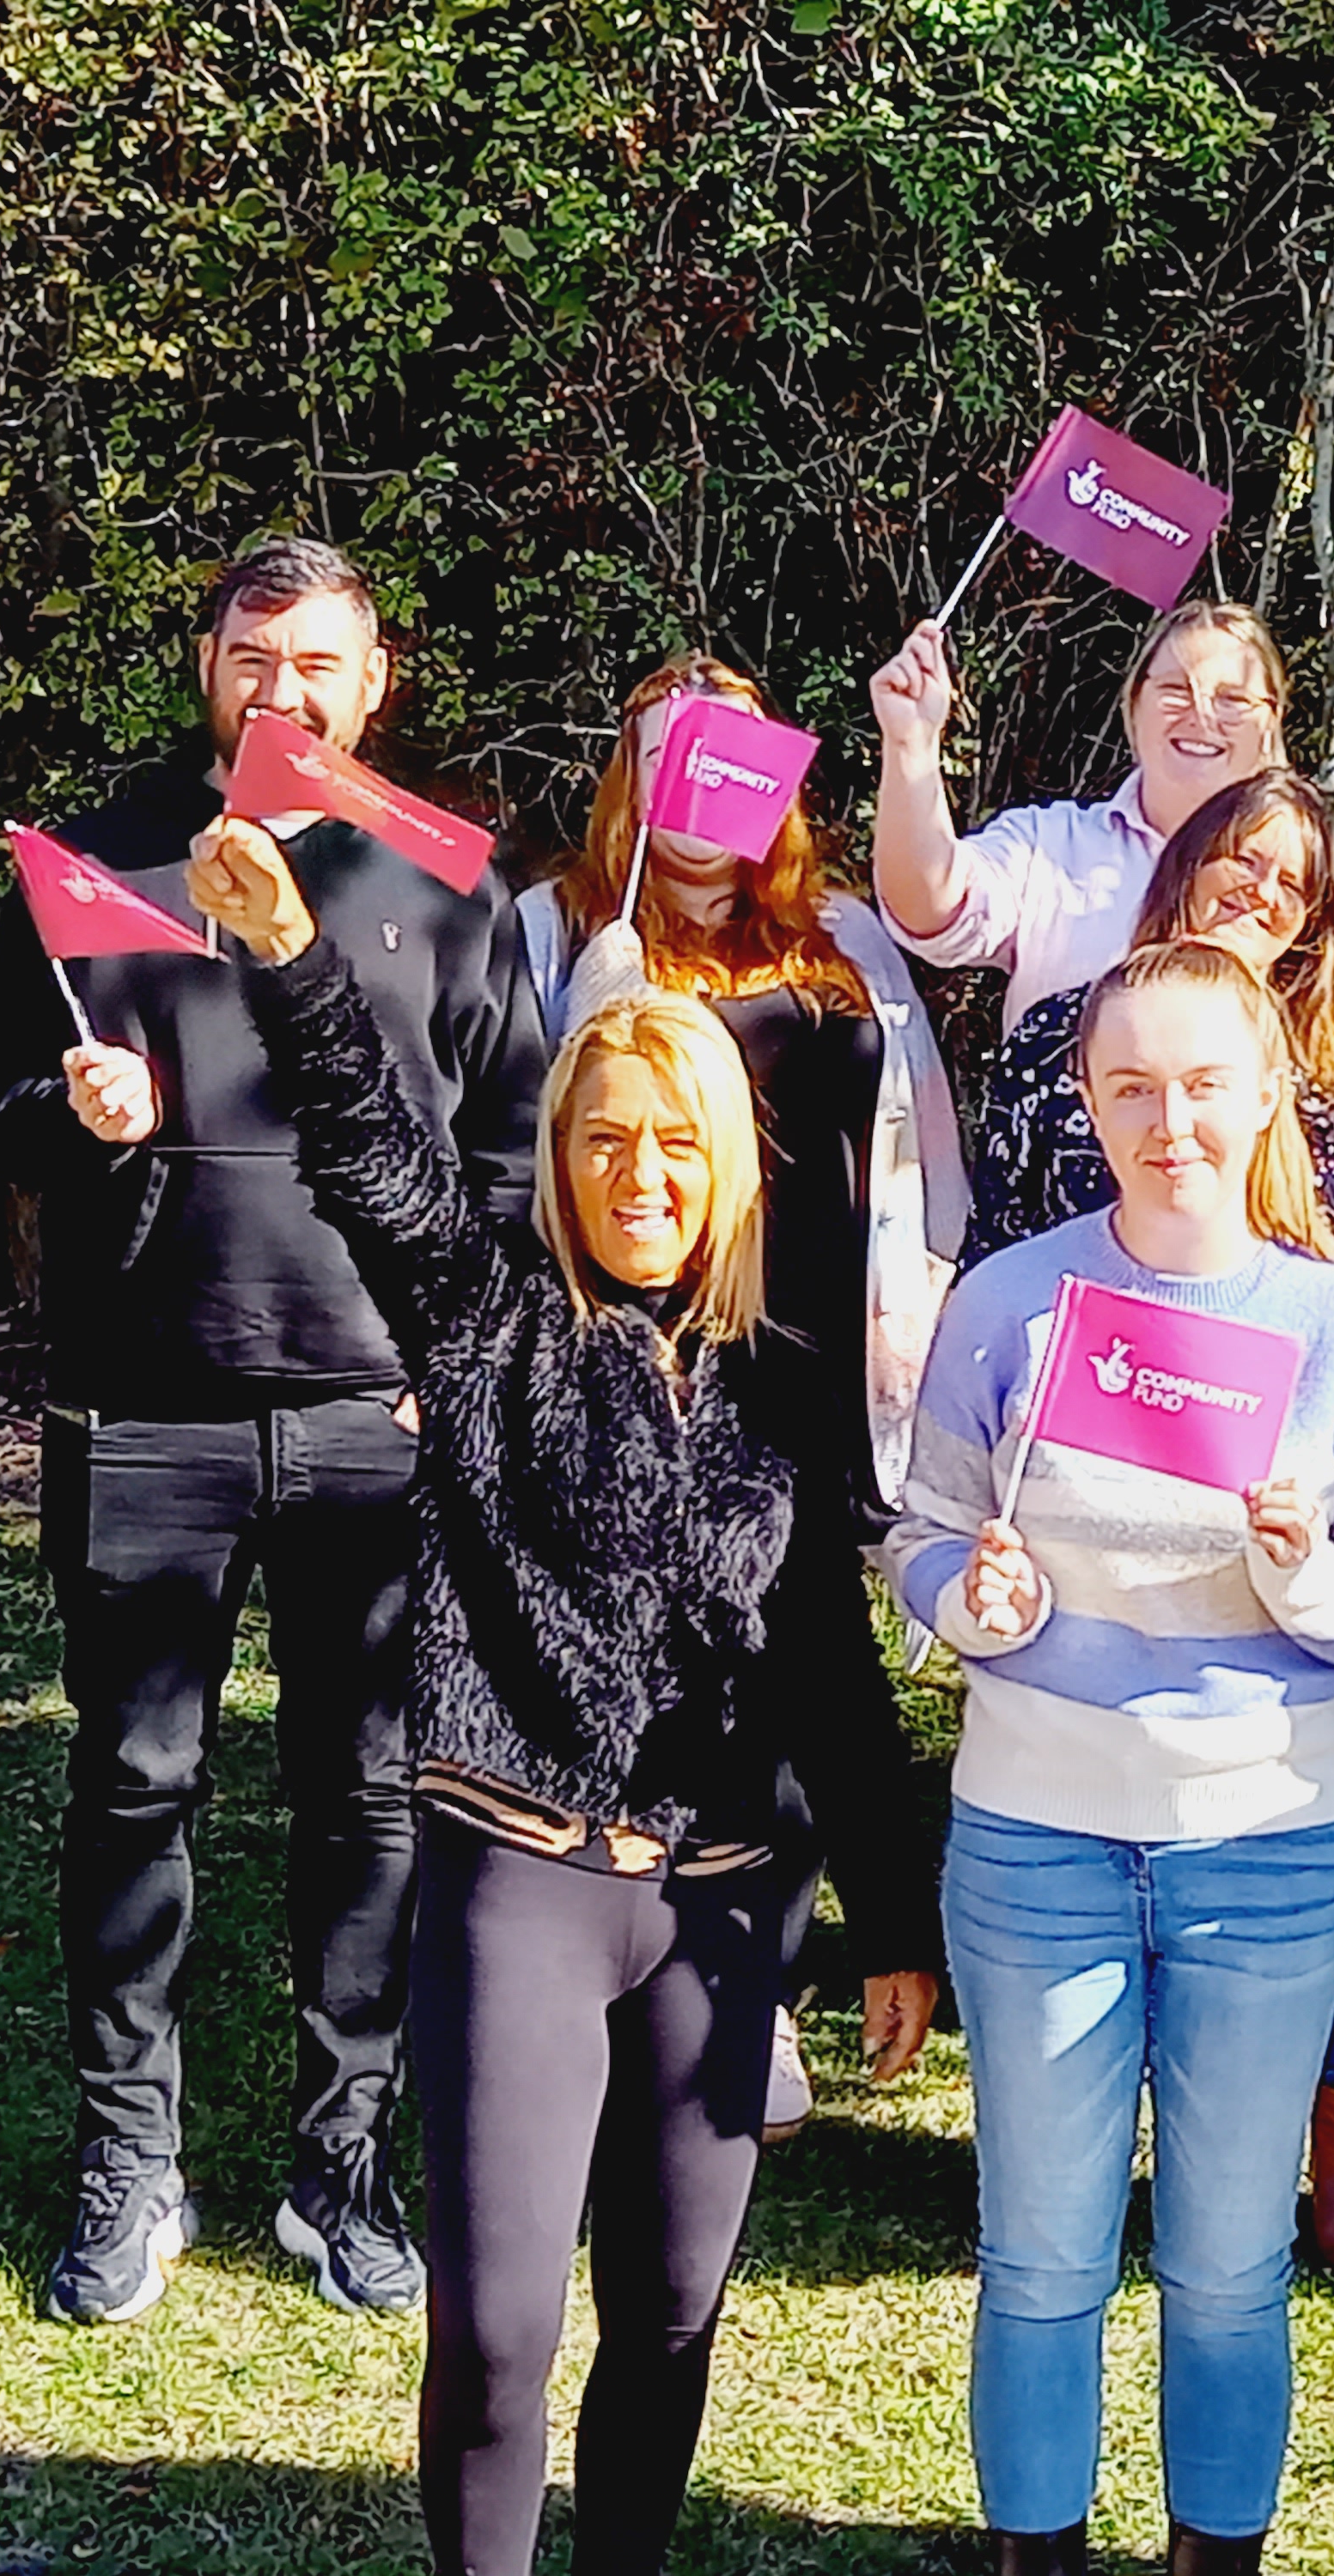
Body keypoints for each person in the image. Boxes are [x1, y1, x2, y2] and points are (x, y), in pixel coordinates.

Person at [186, 817, 941, 2576]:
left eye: (677, 1141)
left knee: (672, 2315)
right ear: (562, 1163)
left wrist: (893, 1915)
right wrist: (296, 958)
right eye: (606, 1141)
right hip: (518, 1874)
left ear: (732, 1171)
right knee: (503, 2323)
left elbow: (825, 1660)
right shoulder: (484, 1317)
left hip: (722, 1905)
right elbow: (376, 1160)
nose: (643, 1173)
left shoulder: (785, 1378)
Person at [0, 537, 547, 2328]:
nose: (282, 692)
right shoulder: (95, 860)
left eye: (319, 665)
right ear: (207, 664)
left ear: (376, 684)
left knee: (369, 1800)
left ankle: (337, 2166)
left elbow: (509, 1152)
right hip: (148, 1407)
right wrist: (67, 1104)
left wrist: (468, 1357)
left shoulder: (443, 881)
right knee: (133, 1791)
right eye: (251, 655)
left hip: (378, 1409)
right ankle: (132, 2161)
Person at [891, 942, 1334, 2576]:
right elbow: (923, 1536)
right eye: (1131, 1087)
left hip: (1269, 1854)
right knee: (1043, 2259)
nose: (1171, 1120)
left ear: (1271, 1090)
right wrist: (969, 1600)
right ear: (1088, 1101)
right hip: (1034, 1842)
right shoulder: (1013, 1304)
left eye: (1205, 1082)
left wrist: (1308, 1580)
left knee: (1226, 2269)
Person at [959, 767, 1334, 2272]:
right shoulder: (1069, 1039)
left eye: (1294, 879)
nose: (1261, 890)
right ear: (1182, 868)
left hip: (1296, 1542)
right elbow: (1011, 1246)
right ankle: (1074, 2147)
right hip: (1087, 1529)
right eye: (1235, 862)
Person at [516, 649, 968, 2136]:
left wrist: (932, 1304)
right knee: (691, 1679)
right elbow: (527, 1151)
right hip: (661, 1365)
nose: (702, 785)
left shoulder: (840, 934)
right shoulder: (559, 931)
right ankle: (684, 1979)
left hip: (823, 1355)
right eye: (670, 752)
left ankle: (806, 1965)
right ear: (630, 777)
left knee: (814, 1667)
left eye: (734, 754)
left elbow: (919, 1146)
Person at [863, 602, 1334, 1036]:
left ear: (1272, 722)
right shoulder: (1051, 847)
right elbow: (930, 910)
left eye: (1232, 699)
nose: (1201, 715)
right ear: (1135, 705)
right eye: (1174, 690)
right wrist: (911, 744)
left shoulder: (1323, 894)